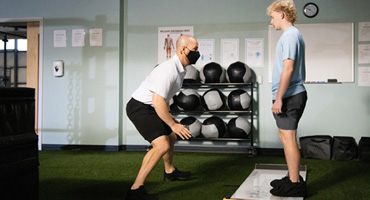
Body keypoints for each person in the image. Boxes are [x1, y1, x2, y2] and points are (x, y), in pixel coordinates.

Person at [125, 34, 200, 200]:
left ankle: (170, 172)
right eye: (195, 49)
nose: (197, 53)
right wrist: (173, 125)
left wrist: (171, 119)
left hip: (153, 107)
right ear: (183, 49)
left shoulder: (180, 70)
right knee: (161, 145)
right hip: (139, 108)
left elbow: (164, 99)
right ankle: (135, 190)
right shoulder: (168, 70)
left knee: (171, 137)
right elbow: (157, 101)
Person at [267, 0, 308, 197]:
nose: (271, 21)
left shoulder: (290, 36)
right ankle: (292, 176)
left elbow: (288, 68)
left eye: (272, 17)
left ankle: (295, 183)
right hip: (289, 94)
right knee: (284, 137)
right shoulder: (291, 35)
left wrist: (279, 98)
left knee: (289, 138)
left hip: (290, 95)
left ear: (282, 14)